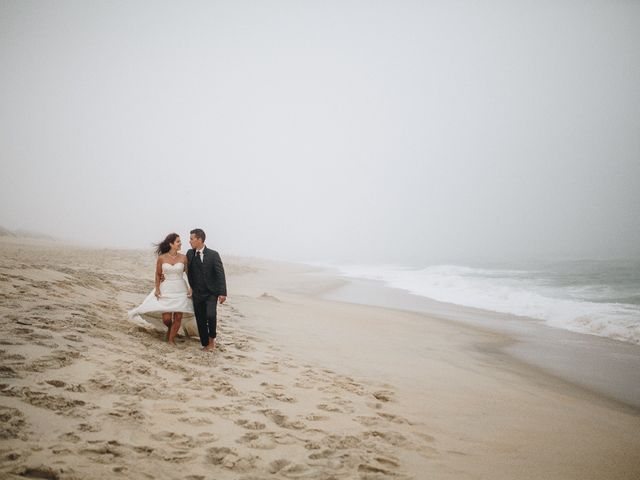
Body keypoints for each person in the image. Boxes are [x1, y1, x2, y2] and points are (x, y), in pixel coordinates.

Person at [128, 233, 196, 343]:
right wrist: (157, 288)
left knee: (178, 317)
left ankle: (170, 340)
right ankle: (170, 328)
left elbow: (189, 274)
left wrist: (191, 287)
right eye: (178, 241)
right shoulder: (162, 258)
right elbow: (158, 274)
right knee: (167, 319)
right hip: (166, 289)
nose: (180, 243)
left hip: (181, 289)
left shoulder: (184, 258)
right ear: (171, 244)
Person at [186, 228, 227, 351]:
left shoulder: (213, 255)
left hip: (211, 292)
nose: (190, 241)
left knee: (211, 315)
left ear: (199, 239)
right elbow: (184, 267)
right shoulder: (190, 253)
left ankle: (212, 340)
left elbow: (220, 274)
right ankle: (205, 344)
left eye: (192, 239)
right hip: (197, 292)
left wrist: (222, 293)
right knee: (200, 318)